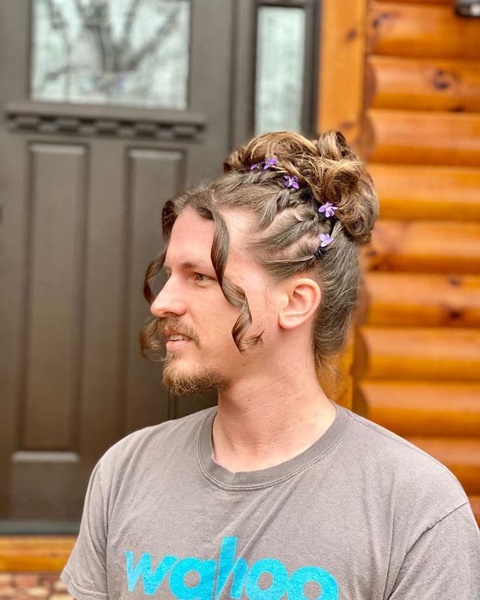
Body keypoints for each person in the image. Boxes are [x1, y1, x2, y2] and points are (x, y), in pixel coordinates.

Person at [61, 131, 480, 599]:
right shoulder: (126, 470)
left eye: (200, 277)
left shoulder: (414, 506)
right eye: (170, 275)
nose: (162, 303)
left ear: (295, 302)